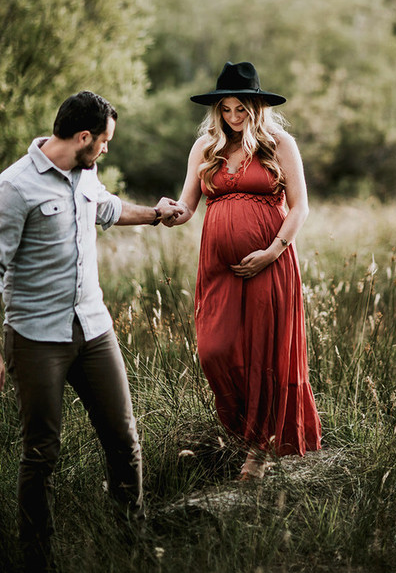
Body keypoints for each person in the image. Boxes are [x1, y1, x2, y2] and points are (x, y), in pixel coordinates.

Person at [0, 90, 183, 572]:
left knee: (124, 439)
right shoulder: (14, 188)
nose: (106, 149)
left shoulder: (86, 172)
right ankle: (38, 558)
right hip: (36, 337)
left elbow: (105, 208)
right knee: (41, 452)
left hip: (94, 328)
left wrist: (157, 214)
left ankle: (132, 543)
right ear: (83, 137)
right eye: (104, 141)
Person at [168, 61, 322, 479]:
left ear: (256, 107)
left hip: (270, 265)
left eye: (241, 109)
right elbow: (186, 207)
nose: (233, 117)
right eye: (226, 109)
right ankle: (244, 431)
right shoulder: (205, 148)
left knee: (263, 355)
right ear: (217, 109)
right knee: (215, 350)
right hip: (218, 268)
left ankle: (258, 450)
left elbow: (300, 206)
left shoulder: (279, 144)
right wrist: (159, 212)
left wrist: (273, 250)